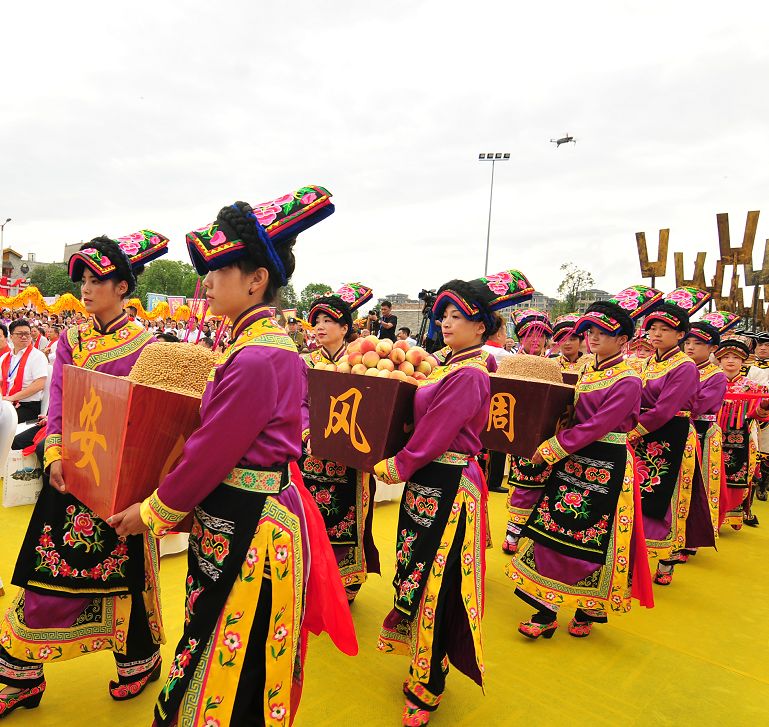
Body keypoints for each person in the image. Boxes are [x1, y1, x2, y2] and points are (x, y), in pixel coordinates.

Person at [109, 187, 357, 726]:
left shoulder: (258, 356)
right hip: (238, 512)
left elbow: (210, 450)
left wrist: (152, 511)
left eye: (220, 271)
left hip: (251, 524)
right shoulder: (251, 346)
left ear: (255, 279)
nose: (208, 283)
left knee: (229, 649)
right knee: (218, 639)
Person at [0, 231, 169, 718]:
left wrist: (142, 481)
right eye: (84, 279)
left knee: (126, 575)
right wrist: (53, 455)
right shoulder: (72, 339)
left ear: (123, 287)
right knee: (46, 575)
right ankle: (19, 674)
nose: (88, 288)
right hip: (70, 478)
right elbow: (57, 404)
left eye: (99, 279)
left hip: (121, 485)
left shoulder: (149, 347)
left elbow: (155, 418)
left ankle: (137, 660)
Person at [375, 270, 532, 726]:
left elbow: (438, 430)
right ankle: (424, 662)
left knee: (439, 583)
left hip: (447, 483)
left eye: (457, 316)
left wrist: (398, 464)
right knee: (417, 568)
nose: (446, 322)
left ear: (481, 325)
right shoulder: (445, 363)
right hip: (427, 484)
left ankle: (430, 682)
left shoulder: (471, 372)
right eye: (443, 314)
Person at [506, 288, 656, 639]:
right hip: (572, 462)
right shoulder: (587, 370)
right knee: (553, 530)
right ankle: (546, 610)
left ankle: (588, 608)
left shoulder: (629, 379)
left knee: (595, 538)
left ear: (622, 339)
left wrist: (553, 447)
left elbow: (598, 424)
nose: (591, 340)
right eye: (589, 333)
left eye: (600, 334)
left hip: (607, 464)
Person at [301, 282, 380, 602]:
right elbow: (300, 404)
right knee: (314, 516)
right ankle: (314, 576)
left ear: (345, 327)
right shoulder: (305, 361)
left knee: (350, 516)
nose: (319, 327)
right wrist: (307, 434)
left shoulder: (365, 360)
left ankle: (348, 579)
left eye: (328, 321)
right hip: (313, 454)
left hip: (353, 457)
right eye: (316, 321)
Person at [628, 287, 708, 586]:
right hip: (643, 435)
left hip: (670, 435)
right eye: (653, 328)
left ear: (680, 335)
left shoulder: (685, 367)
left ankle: (665, 556)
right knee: (640, 492)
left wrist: (631, 432)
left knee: (666, 495)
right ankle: (637, 554)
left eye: (665, 329)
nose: (657, 334)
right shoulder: (649, 362)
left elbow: (665, 409)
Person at [678, 312, 736, 560]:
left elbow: (698, 406)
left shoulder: (716, 376)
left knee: (699, 485)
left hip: (702, 432)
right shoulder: (681, 367)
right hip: (680, 429)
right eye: (688, 342)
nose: (690, 347)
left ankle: (692, 538)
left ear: (713, 348)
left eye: (698, 343)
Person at [502, 308, 555, 554]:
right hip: (518, 429)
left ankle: (536, 533)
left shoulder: (553, 365)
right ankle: (513, 530)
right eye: (529, 335)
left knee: (548, 485)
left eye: (541, 335)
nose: (535, 340)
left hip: (549, 433)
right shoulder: (510, 362)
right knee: (522, 481)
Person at [714, 339, 769, 529]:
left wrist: (761, 407)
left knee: (738, 476)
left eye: (735, 357)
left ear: (743, 361)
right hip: (713, 435)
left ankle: (733, 515)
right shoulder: (711, 382)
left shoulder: (753, 387)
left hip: (743, 435)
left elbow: (760, 414)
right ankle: (712, 515)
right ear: (719, 361)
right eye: (725, 357)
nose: (730, 361)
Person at [0, 319, 49, 424]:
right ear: (11, 336)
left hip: (27, 406)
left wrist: (12, 398)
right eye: (20, 334)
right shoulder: (5, 358)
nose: (24, 336)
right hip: (6, 402)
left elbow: (40, 384)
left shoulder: (37, 356)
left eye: (27, 333)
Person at [743, 332, 769, 501]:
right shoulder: (746, 364)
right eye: (760, 345)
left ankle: (763, 485)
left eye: (767, 346)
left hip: (766, 411)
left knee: (766, 449)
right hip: (747, 410)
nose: (763, 348)